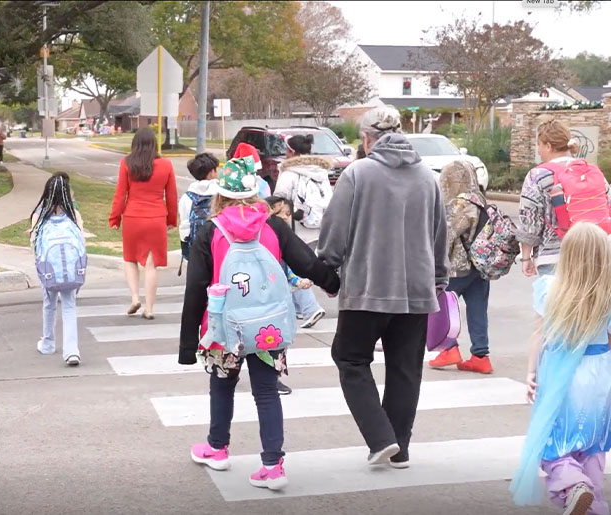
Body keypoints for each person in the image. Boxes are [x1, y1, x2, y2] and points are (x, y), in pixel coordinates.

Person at [179, 157, 339, 490]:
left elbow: (195, 288)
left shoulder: (211, 231)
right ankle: (272, 465)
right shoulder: (274, 226)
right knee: (266, 392)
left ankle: (217, 448)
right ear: (255, 192)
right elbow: (306, 262)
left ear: (219, 194)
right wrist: (332, 283)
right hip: (269, 326)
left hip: (224, 327)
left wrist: (187, 344)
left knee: (222, 386)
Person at [317, 105, 449, 469]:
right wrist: (439, 276)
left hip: (369, 286)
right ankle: (399, 448)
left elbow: (335, 230)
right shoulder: (426, 175)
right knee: (406, 369)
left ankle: (381, 438)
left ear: (366, 138)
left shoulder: (357, 173)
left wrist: (328, 268)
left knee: (349, 358)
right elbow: (440, 231)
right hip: (417, 290)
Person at [510, 222, 611, 515]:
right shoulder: (606, 292)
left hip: (560, 374)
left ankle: (573, 485)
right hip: (600, 373)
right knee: (592, 447)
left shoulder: (551, 288)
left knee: (553, 442)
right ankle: (595, 503)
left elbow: (538, 335)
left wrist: (530, 373)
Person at [518, 118, 611, 277]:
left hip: (554, 259)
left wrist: (526, 257)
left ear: (548, 146)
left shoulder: (537, 176)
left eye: (539, 145)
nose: (539, 151)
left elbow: (530, 221)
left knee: (553, 301)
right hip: (594, 254)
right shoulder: (591, 172)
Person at [428, 161, 493, 374]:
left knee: (442, 307)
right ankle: (481, 355)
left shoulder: (461, 204)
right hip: (481, 267)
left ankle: (449, 348)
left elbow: (445, 236)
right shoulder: (481, 200)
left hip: (458, 267)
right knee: (477, 310)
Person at [109, 127, 178, 319]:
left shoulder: (127, 163)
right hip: (156, 218)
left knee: (130, 259)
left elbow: (120, 194)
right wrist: (172, 219)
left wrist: (114, 218)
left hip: (133, 217)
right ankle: (149, 308)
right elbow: (171, 196)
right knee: (151, 265)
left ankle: (134, 298)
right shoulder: (166, 165)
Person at [30, 174, 85, 366]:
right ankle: (72, 351)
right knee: (69, 306)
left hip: (49, 270)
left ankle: (48, 343)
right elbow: (81, 242)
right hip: (70, 270)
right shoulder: (73, 215)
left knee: (49, 303)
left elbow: (35, 244)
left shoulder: (40, 215)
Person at [265, 196, 326, 330]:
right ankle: (309, 309)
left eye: (289, 214)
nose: (287, 218)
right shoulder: (274, 235)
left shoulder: (277, 234)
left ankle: (307, 309)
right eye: (283, 214)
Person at [273, 134, 333, 229]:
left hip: (297, 231)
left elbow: (278, 202)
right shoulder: (321, 171)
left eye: (287, 151)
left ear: (292, 152)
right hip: (324, 227)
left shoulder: (288, 174)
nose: (285, 154)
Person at [179, 152, 219, 261]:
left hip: (196, 250)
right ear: (212, 172)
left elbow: (184, 225)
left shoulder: (187, 197)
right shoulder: (221, 194)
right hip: (218, 247)